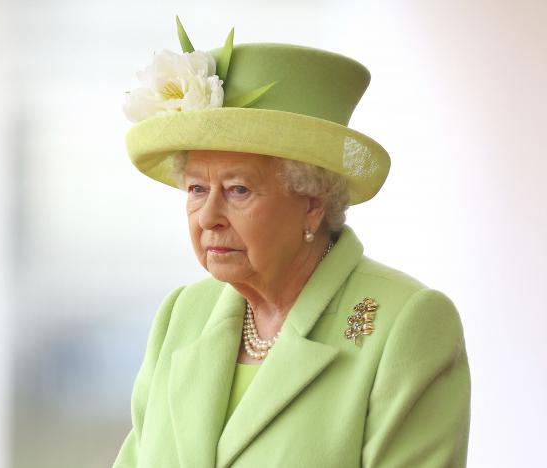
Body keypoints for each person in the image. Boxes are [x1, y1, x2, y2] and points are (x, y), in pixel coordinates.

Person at [113, 18, 470, 468]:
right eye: (197, 190)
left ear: (313, 202)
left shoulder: (406, 324)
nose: (208, 217)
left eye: (239, 189)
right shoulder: (182, 315)